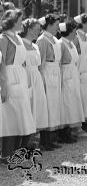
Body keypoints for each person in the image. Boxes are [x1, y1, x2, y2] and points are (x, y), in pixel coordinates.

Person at [0, 9, 36, 163]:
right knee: (10, 118)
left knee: (22, 117)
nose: (22, 23)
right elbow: (1, 64)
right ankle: (6, 154)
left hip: (20, 79)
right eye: (20, 20)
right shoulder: (3, 38)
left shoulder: (18, 38)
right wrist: (4, 86)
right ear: (13, 21)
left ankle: (16, 151)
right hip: (9, 78)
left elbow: (23, 62)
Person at [20, 18, 51, 150]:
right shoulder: (20, 44)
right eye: (36, 29)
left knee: (36, 109)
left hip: (36, 78)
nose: (38, 32)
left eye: (39, 29)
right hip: (26, 78)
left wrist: (42, 82)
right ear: (29, 29)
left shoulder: (36, 46)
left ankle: (32, 141)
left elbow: (40, 66)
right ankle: (23, 143)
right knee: (27, 110)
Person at [37, 13, 62, 150]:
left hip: (55, 73)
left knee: (54, 106)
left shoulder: (53, 39)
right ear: (50, 25)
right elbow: (40, 64)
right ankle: (44, 141)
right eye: (56, 24)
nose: (58, 27)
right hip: (47, 73)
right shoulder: (42, 40)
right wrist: (42, 81)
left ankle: (51, 138)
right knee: (47, 107)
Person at [58, 21, 85, 143]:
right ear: (69, 31)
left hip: (73, 74)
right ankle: (64, 133)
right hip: (66, 75)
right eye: (74, 31)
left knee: (73, 103)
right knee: (66, 104)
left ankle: (71, 130)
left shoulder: (71, 44)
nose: (75, 33)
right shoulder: (61, 44)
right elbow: (58, 63)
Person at [72, 13, 87, 136]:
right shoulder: (76, 36)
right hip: (79, 69)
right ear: (82, 23)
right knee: (78, 97)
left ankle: (83, 122)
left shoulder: (85, 35)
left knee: (85, 97)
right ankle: (76, 127)